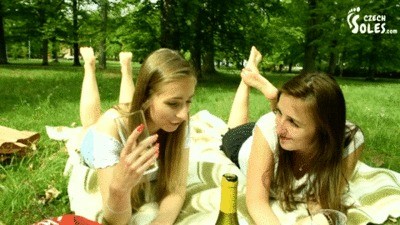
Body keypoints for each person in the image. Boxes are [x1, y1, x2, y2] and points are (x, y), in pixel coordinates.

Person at [220, 47, 364, 225]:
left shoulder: (349, 140)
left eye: (293, 122)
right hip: (246, 145)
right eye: (278, 112)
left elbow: (323, 202)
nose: (279, 128)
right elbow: (257, 203)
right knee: (234, 128)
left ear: (324, 130)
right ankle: (247, 79)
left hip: (275, 133)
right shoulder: (270, 127)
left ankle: (276, 98)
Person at [78, 47, 197, 225]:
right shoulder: (110, 127)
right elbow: (115, 220)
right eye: (173, 103)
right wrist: (119, 188)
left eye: (188, 101)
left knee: (131, 110)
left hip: (136, 114)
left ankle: (126, 68)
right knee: (90, 123)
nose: (183, 114)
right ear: (146, 98)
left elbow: (176, 189)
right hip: (92, 140)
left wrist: (161, 222)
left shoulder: (180, 122)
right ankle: (89, 65)